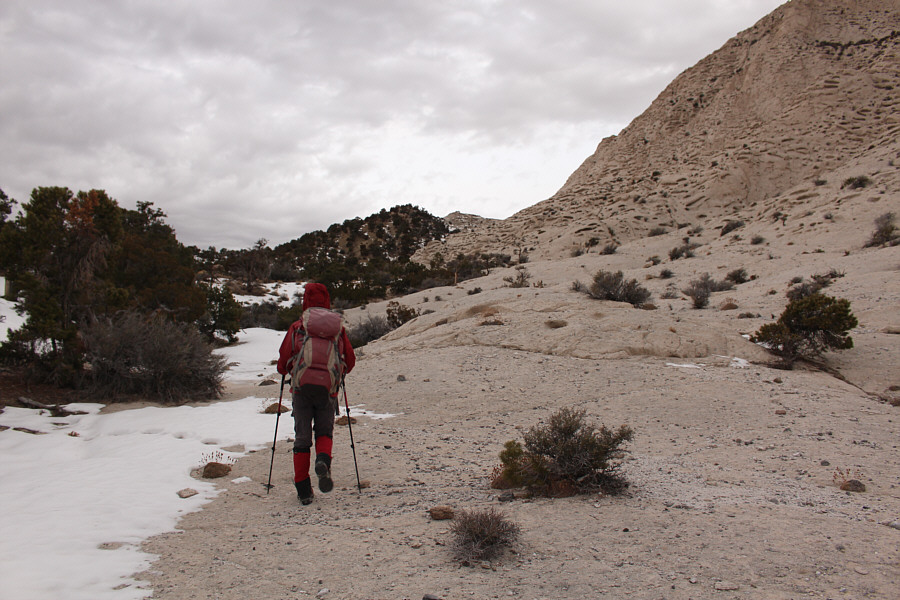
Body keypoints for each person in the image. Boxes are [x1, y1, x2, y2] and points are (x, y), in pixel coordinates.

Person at [276, 282, 355, 505]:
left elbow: (284, 358)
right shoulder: (337, 329)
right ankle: (323, 461)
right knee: (324, 432)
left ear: (306, 301)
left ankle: (303, 490)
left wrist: (284, 370)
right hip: (327, 391)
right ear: (327, 300)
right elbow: (350, 360)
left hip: (301, 390)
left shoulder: (297, 327)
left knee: (302, 437)